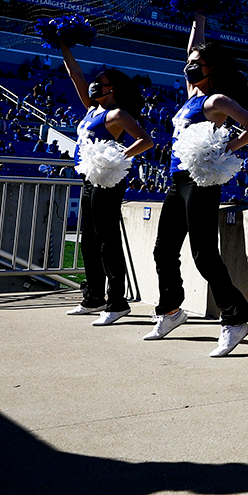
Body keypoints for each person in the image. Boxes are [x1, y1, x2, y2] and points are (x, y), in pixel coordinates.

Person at [145, 13, 248, 356]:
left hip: (201, 180)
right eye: (191, 63)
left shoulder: (216, 101)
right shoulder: (190, 96)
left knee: (203, 255)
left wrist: (220, 150)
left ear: (212, 69)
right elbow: (190, 49)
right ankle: (170, 310)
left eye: (198, 64)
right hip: (176, 180)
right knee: (163, 250)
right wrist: (198, 16)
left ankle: (235, 319)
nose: (191, 67)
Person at [56, 41, 153, 326]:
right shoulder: (92, 110)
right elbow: (76, 76)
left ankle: (117, 301)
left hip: (107, 180)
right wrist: (64, 47)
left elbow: (146, 141)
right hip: (88, 179)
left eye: (101, 81)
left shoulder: (118, 115)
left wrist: (114, 157)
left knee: (107, 241)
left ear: (114, 89)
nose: (94, 84)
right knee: (88, 240)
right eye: (95, 81)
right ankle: (94, 297)